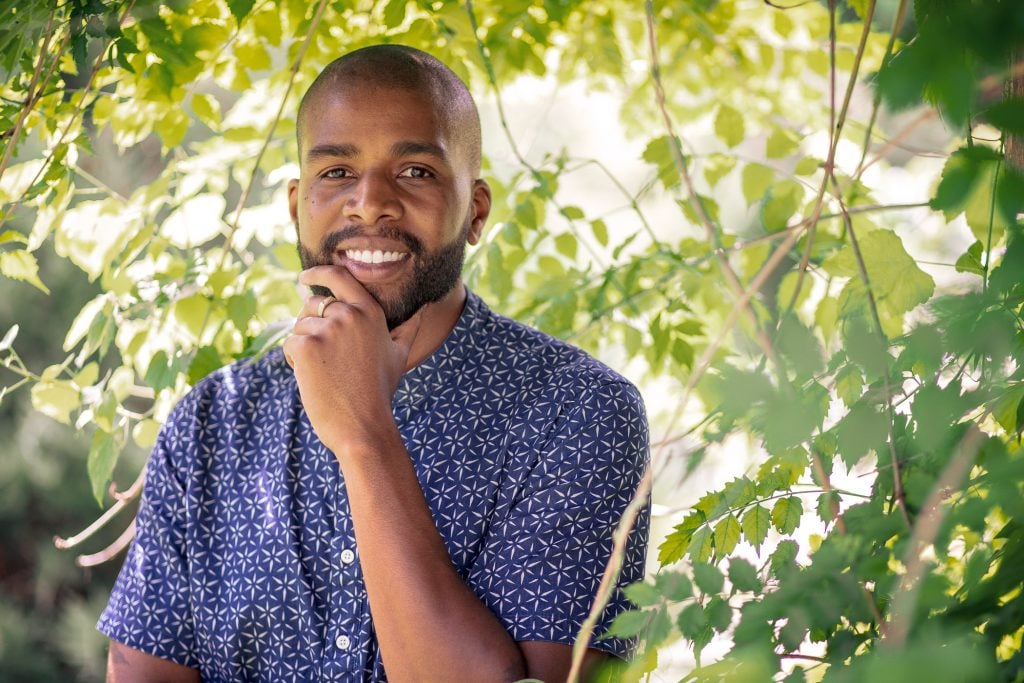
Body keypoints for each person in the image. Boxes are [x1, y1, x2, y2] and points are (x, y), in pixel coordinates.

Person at [98, 44, 649, 682]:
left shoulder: (578, 412)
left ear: (474, 210)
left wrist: (364, 436)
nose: (369, 203)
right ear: (295, 204)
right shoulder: (211, 424)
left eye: (414, 171)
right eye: (336, 172)